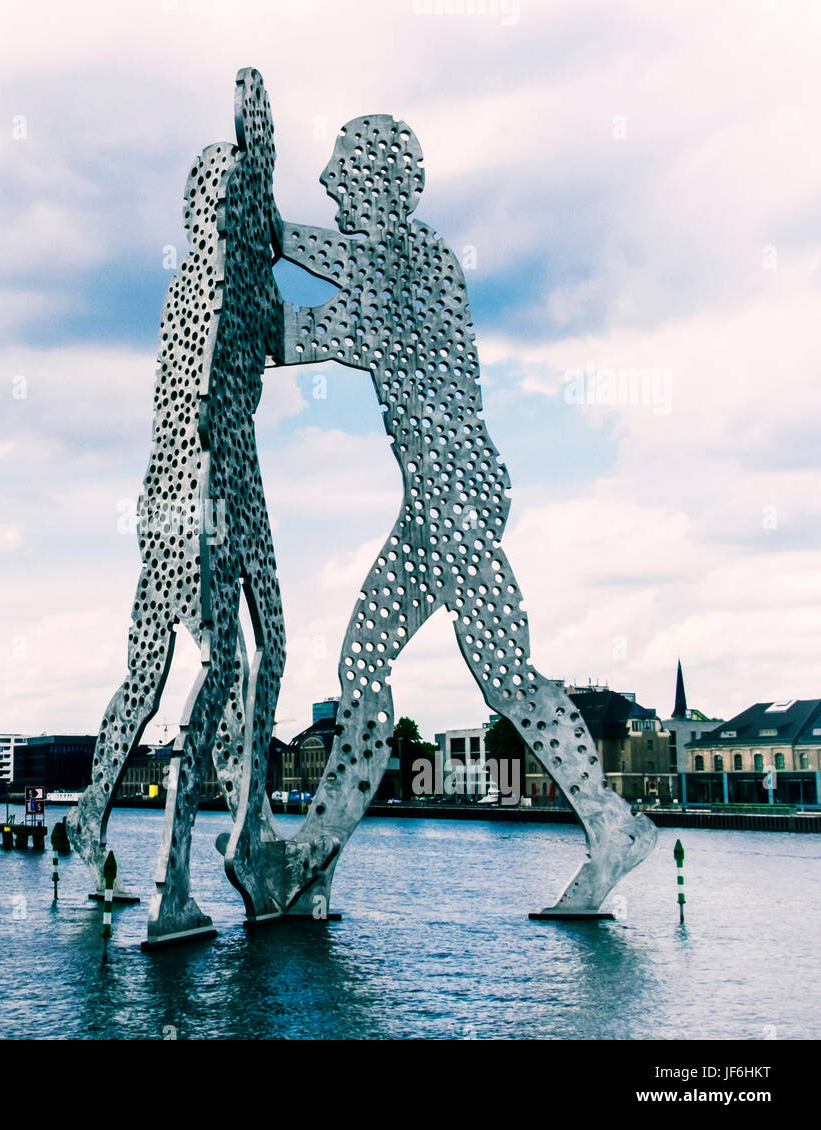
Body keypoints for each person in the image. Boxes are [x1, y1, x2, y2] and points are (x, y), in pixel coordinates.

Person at [270, 116, 656, 916]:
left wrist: (255, 234)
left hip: (456, 493)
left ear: (380, 181)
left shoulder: (415, 265)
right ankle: (316, 867)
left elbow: (301, 326)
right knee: (451, 671)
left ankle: (311, 858)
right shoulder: (398, 273)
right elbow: (308, 323)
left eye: (342, 169)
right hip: (444, 496)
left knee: (407, 668)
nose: (329, 183)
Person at [64, 69, 289, 944]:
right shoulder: (203, 284)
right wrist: (205, 525)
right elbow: (197, 405)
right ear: (214, 212)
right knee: (212, 664)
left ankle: (221, 834)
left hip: (221, 482)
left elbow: (280, 337)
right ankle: (173, 878)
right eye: (235, 205)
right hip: (195, 491)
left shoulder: (233, 283)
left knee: (227, 655)